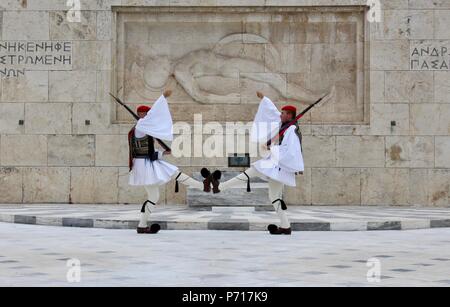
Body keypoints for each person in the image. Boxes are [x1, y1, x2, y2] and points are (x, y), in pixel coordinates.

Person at [216, 91, 304, 235]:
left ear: (289, 115)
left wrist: (272, 148)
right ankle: (286, 226)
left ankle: (220, 187)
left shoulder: (292, 130)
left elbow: (291, 151)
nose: (280, 115)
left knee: (254, 169)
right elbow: (272, 112)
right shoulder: (285, 126)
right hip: (277, 165)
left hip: (279, 165)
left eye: (283, 113)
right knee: (274, 197)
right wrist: (264, 99)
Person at [128, 89, 205, 234]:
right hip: (144, 165)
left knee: (169, 176)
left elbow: (145, 150)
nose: (150, 117)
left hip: (146, 163)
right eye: (146, 114)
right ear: (141, 115)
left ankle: (142, 225)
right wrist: (163, 97)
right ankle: (203, 186)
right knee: (162, 185)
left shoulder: (141, 127)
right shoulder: (141, 127)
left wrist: (163, 152)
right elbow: (144, 151)